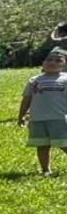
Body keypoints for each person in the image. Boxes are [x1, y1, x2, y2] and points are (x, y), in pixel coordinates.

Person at [17, 48, 67, 176]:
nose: (53, 63)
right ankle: (45, 170)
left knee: (64, 144)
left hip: (60, 119)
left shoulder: (65, 79)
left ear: (64, 64)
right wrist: (21, 115)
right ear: (43, 63)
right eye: (49, 60)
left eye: (58, 60)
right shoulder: (34, 80)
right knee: (42, 145)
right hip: (37, 119)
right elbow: (27, 99)